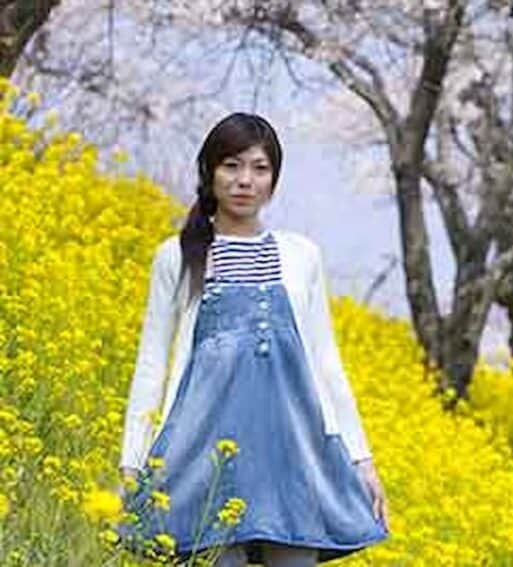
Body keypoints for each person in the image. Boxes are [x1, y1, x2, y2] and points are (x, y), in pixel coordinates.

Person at [116, 112, 390, 566]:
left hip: (293, 454)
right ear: (209, 172)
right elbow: (151, 363)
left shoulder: (301, 256)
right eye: (231, 166)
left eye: (259, 168)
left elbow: (325, 361)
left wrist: (362, 459)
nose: (245, 180)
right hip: (204, 454)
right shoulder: (177, 257)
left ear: (274, 180)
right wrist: (132, 460)